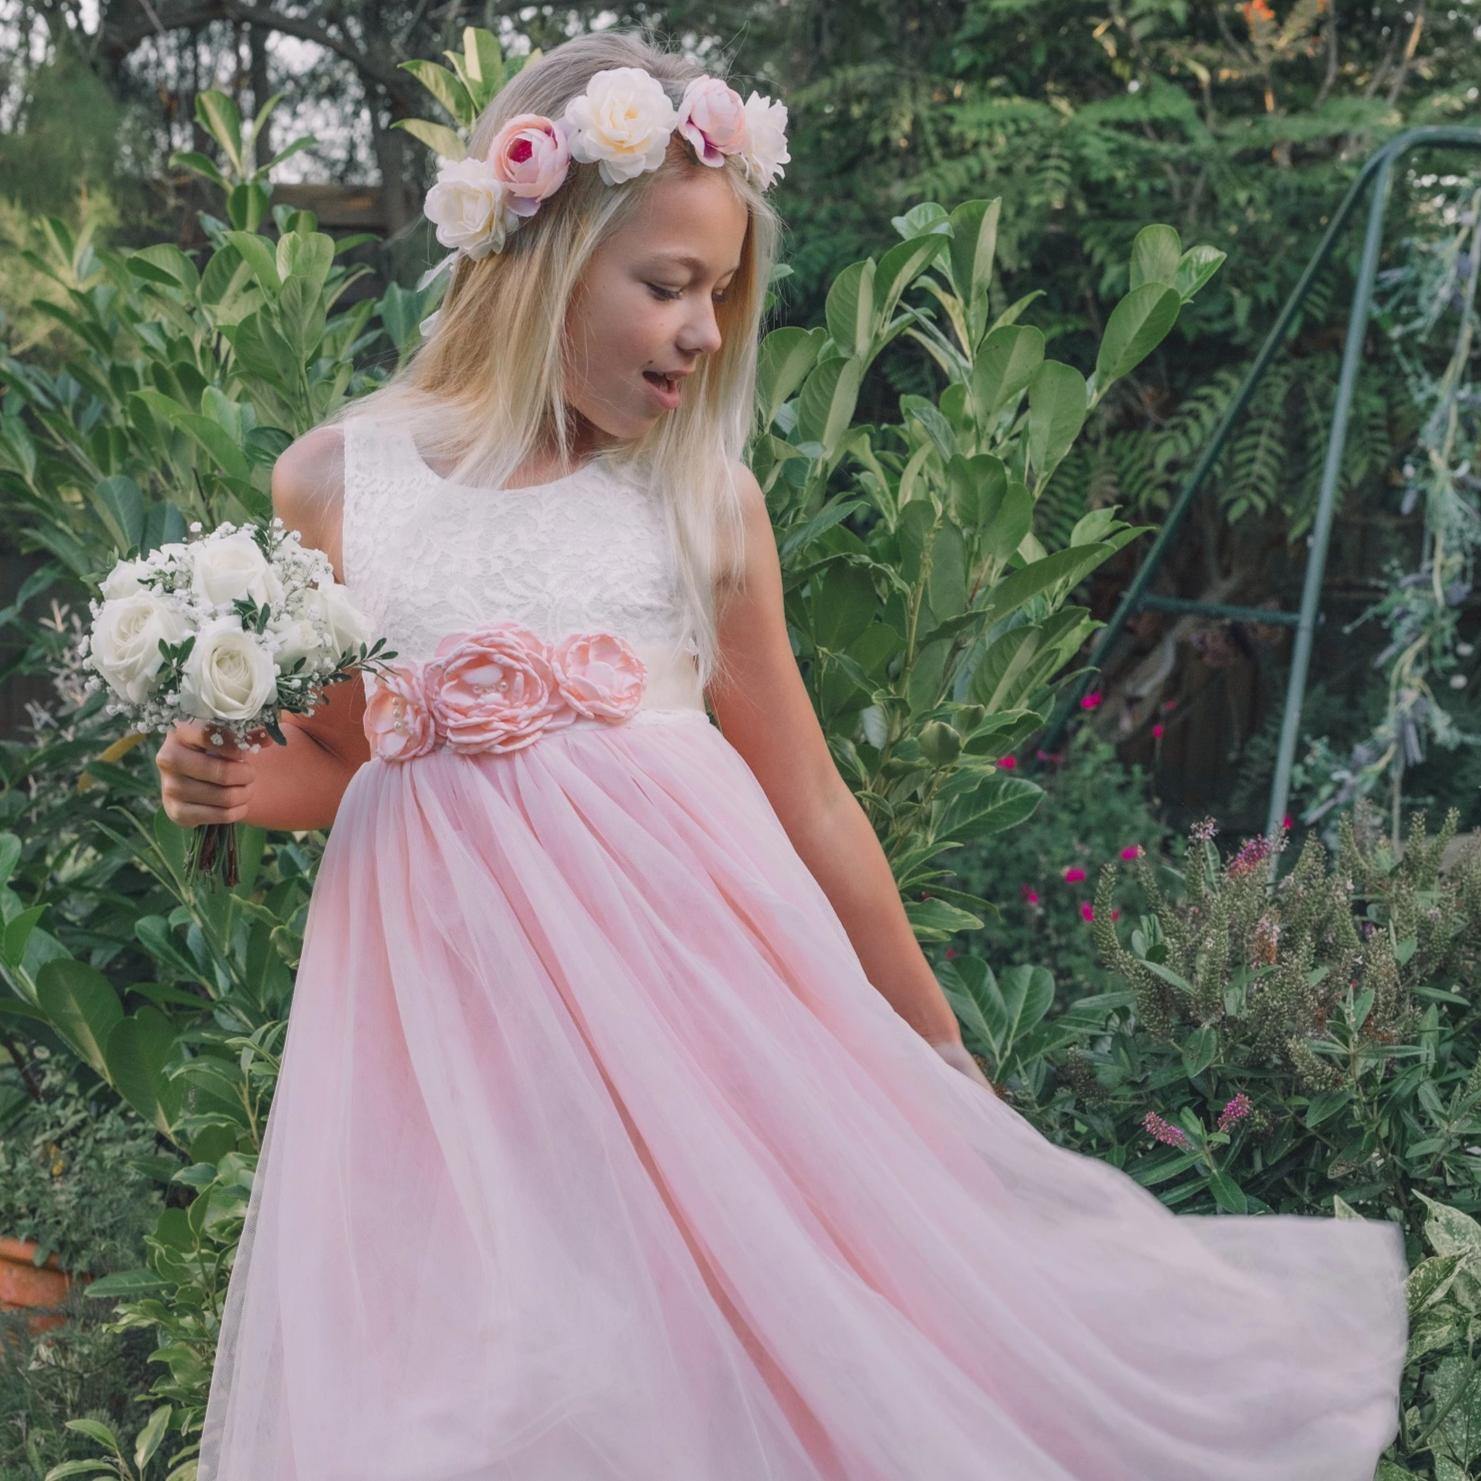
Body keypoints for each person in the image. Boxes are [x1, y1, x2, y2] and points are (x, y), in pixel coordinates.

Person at [160, 28, 1408, 1481]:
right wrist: (243, 781)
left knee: (716, 1363)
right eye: (669, 286)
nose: (702, 333)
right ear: (541, 253)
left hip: (701, 1031)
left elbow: (806, 794)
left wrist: (933, 1049)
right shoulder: (337, 485)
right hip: (451, 1044)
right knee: (480, 1385)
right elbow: (354, 758)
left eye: (722, 298)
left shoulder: (694, 504)